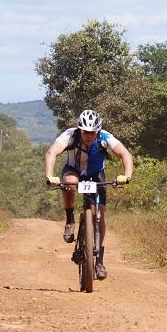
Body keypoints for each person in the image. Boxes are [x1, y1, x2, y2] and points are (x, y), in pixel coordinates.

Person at [44, 109, 133, 280]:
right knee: (69, 184)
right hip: (74, 171)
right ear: (80, 130)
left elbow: (125, 154)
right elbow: (51, 153)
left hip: (95, 175)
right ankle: (70, 218)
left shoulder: (105, 137)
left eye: (92, 132)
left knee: (99, 213)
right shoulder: (70, 135)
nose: (89, 135)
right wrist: (49, 175)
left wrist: (126, 175)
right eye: (85, 132)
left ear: (98, 131)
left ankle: (99, 260)